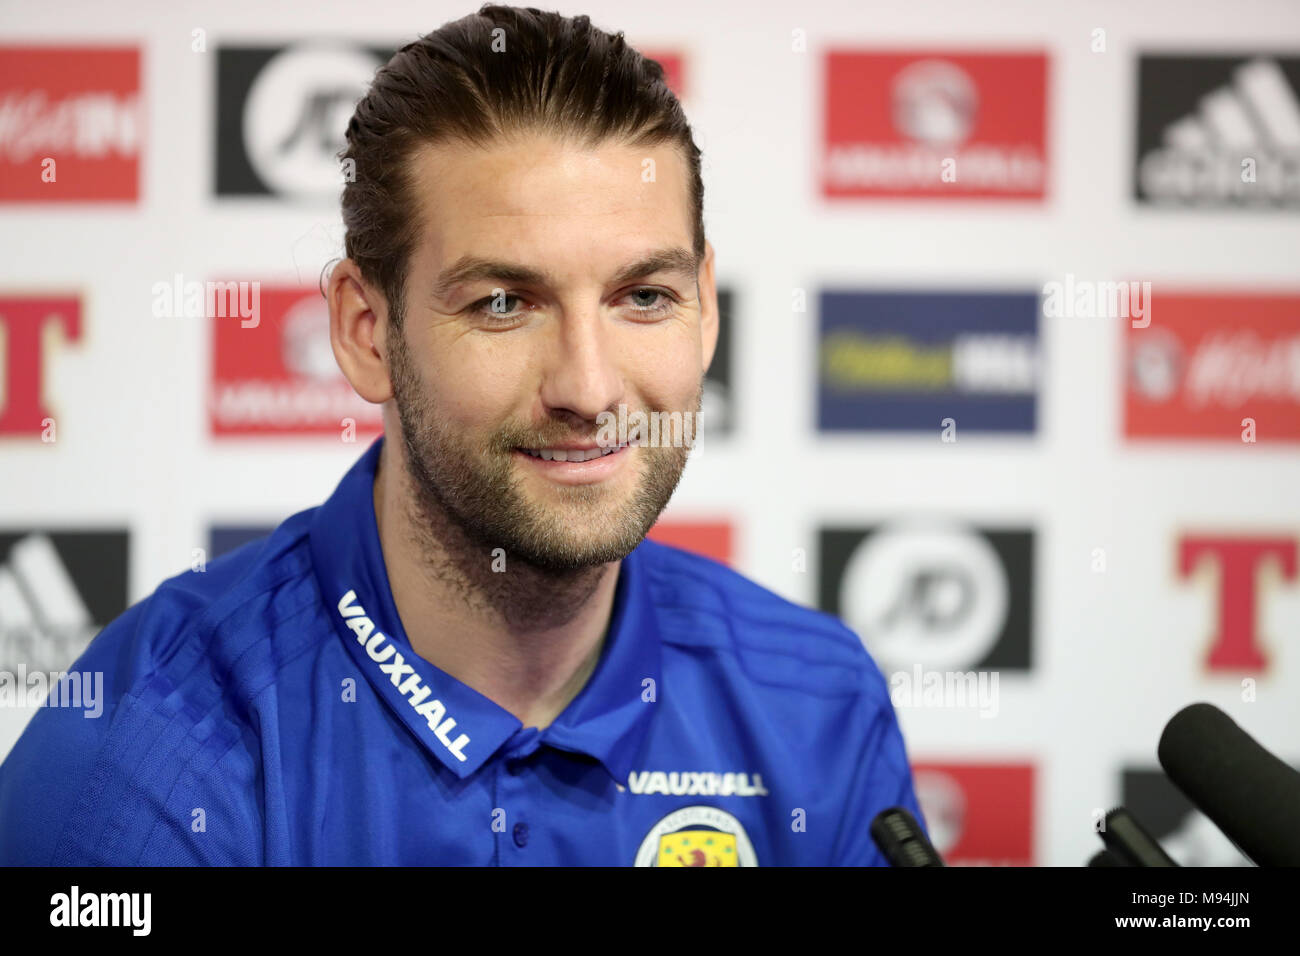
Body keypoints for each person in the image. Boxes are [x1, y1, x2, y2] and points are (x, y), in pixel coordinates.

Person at [0, 4, 925, 866]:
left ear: (706, 307)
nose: (589, 387)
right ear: (369, 333)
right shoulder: (153, 744)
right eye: (503, 304)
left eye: (644, 296)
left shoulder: (816, 702)